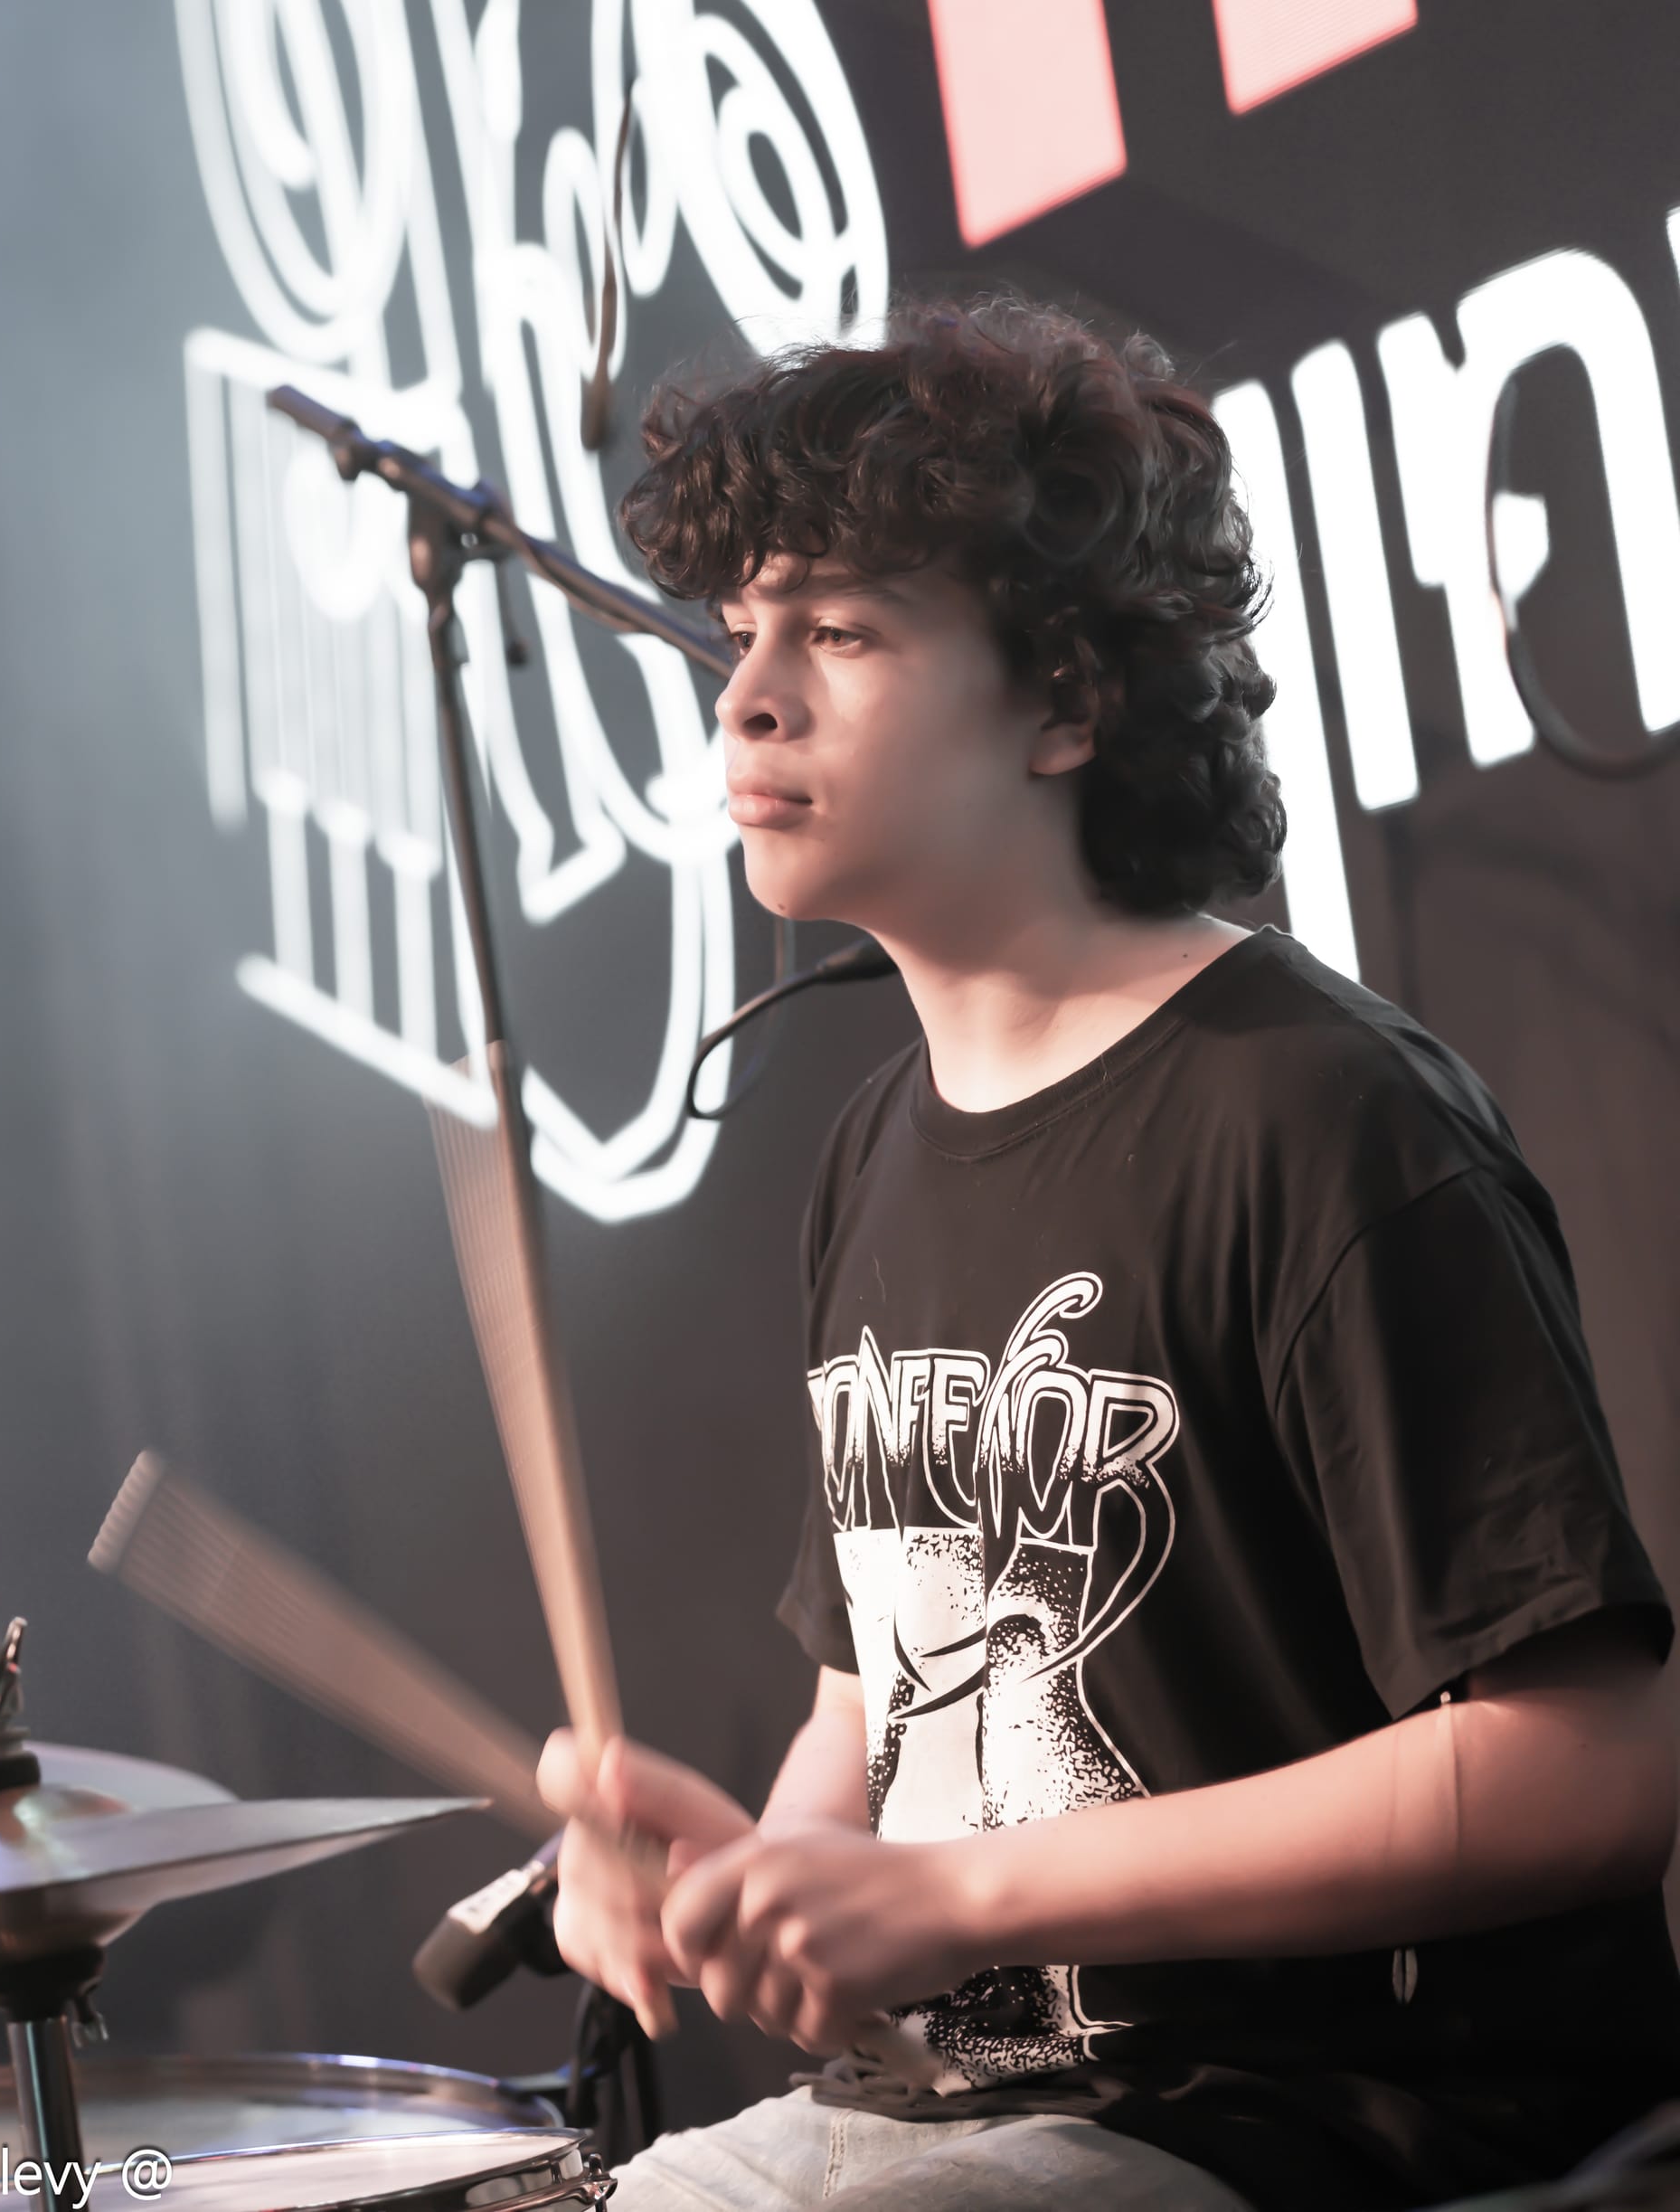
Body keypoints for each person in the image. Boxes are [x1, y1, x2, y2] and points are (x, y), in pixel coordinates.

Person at [535, 299, 1679, 2211]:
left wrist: (966, 1891)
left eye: (839, 631)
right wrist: (757, 1874)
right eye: (743, 631)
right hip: (951, 2106)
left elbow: (1591, 1766)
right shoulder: (870, 1153)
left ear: (1065, 703)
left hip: (1326, 2116)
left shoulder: (1317, 1112)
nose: (745, 698)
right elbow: (868, 1712)